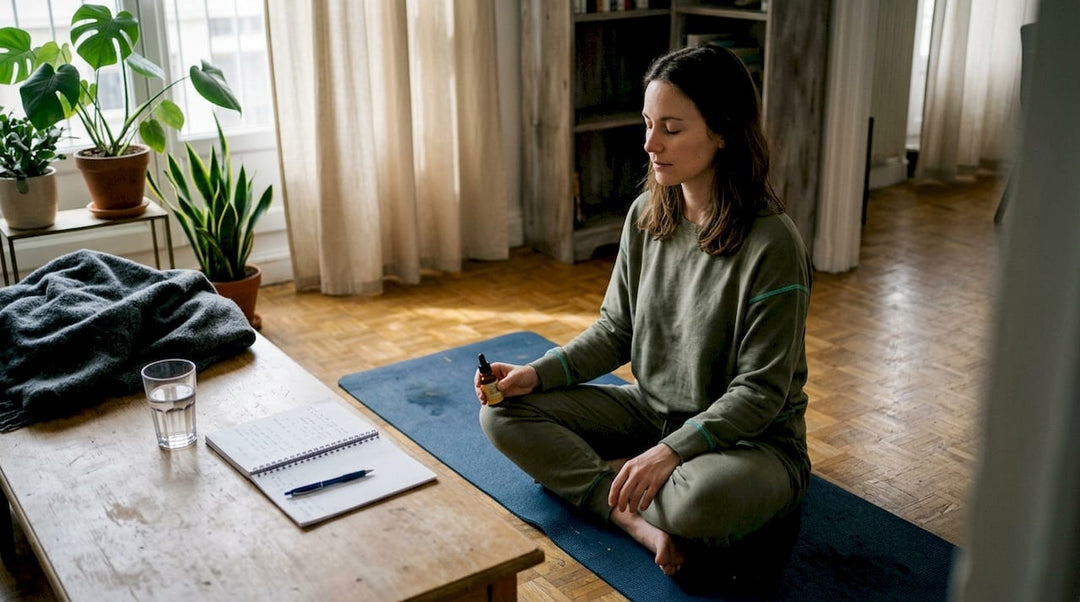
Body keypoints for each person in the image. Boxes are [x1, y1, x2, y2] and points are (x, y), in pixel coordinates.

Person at [476, 45, 811, 577]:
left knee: (699, 502)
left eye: (672, 129)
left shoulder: (773, 245)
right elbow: (615, 331)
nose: (650, 145)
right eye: (648, 124)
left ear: (722, 131)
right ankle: (630, 514)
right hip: (650, 411)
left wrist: (670, 452)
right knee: (501, 414)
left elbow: (760, 393)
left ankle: (602, 481)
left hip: (753, 445)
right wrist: (534, 376)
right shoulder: (647, 213)